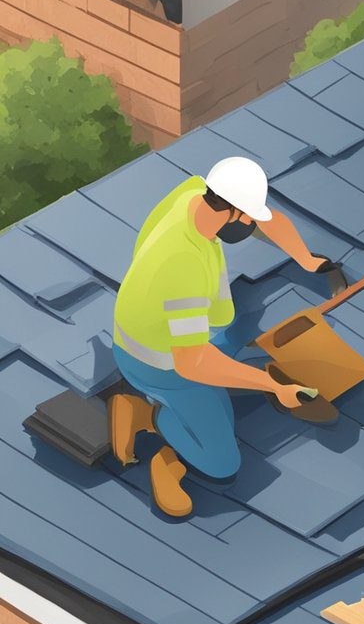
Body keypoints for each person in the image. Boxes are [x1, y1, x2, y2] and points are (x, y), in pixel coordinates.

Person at [108, 157, 328, 517]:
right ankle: (151, 421)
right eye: (249, 218)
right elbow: (193, 363)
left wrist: (304, 258)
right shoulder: (182, 264)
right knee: (223, 464)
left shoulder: (195, 193)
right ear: (235, 212)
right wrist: (274, 387)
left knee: (237, 345)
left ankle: (174, 409)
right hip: (159, 365)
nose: (252, 225)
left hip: (172, 335)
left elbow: (264, 221)